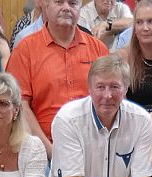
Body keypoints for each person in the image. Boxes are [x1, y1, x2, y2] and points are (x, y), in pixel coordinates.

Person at [8, 0, 107, 145]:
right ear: (47, 5)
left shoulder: (99, 49)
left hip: (94, 145)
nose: (66, 8)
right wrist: (49, 151)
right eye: (59, 2)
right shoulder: (24, 50)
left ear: (80, 8)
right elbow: (20, 105)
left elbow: (111, 99)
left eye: (72, 3)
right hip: (41, 147)